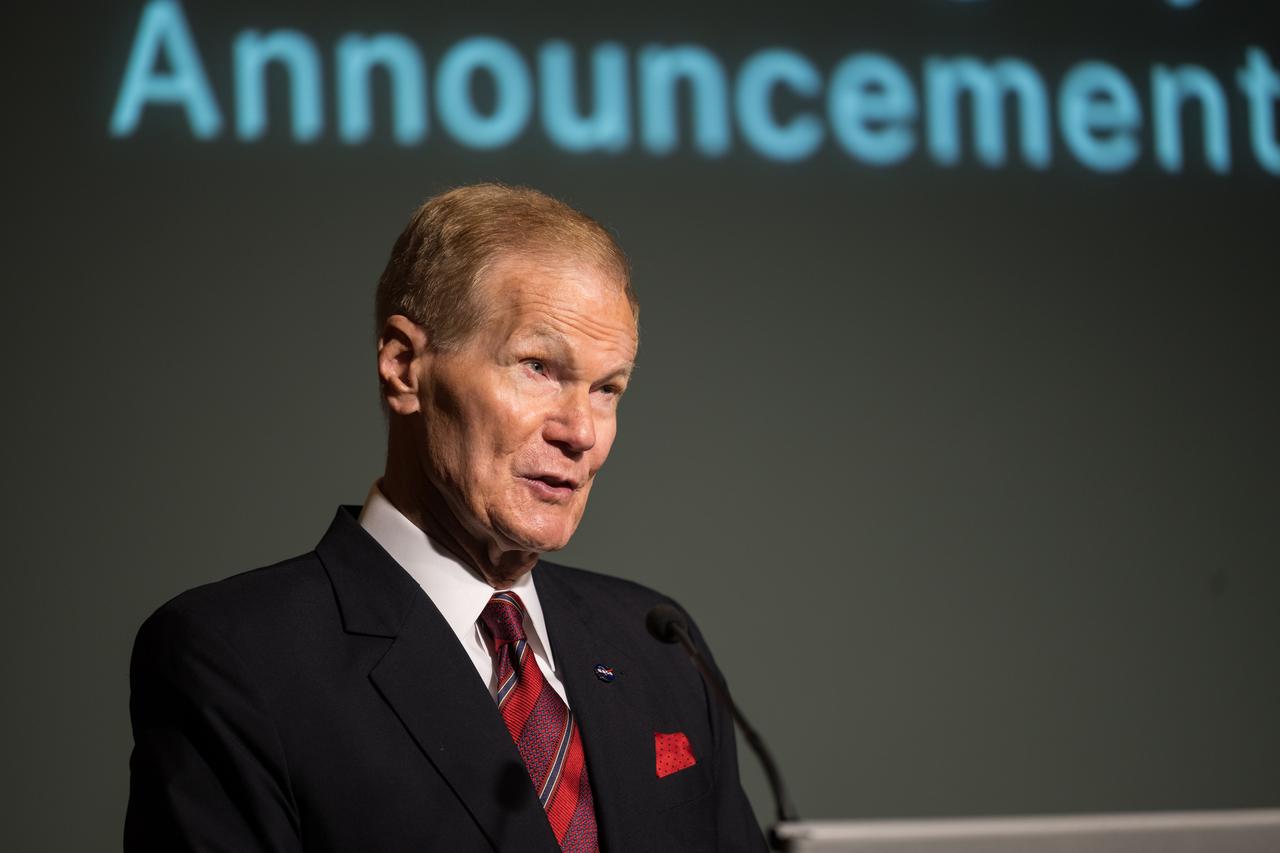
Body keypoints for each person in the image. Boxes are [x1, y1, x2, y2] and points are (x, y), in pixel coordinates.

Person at [124, 184, 767, 852]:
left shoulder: (656, 643)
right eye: (539, 367)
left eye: (607, 388)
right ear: (404, 367)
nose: (582, 432)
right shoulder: (238, 658)